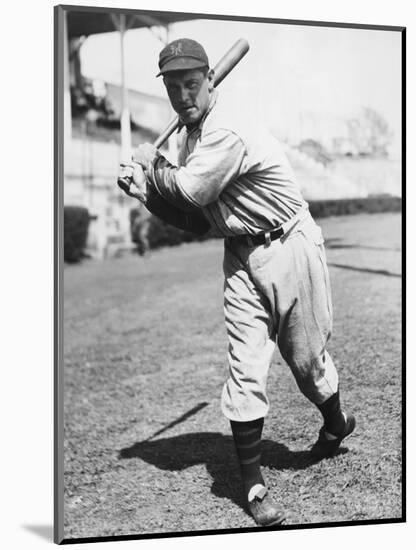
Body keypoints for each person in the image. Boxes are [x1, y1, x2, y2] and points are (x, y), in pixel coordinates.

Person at [118, 38, 356, 527]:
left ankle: (335, 423)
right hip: (241, 256)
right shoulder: (190, 135)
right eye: (174, 88)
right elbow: (197, 219)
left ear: (209, 80)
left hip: (290, 243)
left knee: (308, 361)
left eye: (191, 84)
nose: (184, 96)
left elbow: (188, 189)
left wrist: (152, 163)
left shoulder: (226, 128)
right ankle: (253, 484)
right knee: (245, 367)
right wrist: (145, 190)